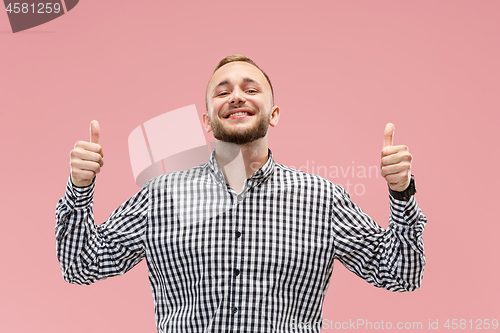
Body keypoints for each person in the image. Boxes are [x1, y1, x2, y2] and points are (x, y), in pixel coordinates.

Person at [56, 54, 427, 333]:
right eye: (223, 91)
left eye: (251, 89)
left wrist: (401, 192)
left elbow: (400, 273)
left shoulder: (322, 198)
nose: (236, 97)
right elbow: (81, 265)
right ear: (207, 120)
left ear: (274, 113)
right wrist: (80, 188)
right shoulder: (161, 196)